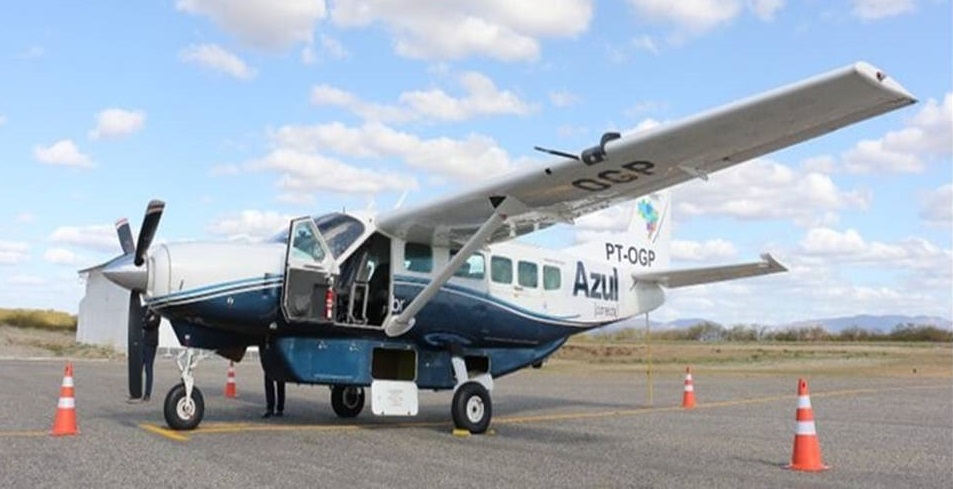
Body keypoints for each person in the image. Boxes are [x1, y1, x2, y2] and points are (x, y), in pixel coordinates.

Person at [259, 341, 285, 418]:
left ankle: (274, 408)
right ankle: (275, 408)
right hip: (271, 349)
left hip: (273, 348)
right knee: (273, 381)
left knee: (276, 381)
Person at [140, 309, 160, 402]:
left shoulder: (157, 313)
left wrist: (144, 322)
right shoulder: (145, 309)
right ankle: (137, 391)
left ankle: (147, 394)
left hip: (151, 343)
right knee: (139, 367)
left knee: (148, 368)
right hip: (143, 341)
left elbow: (151, 324)